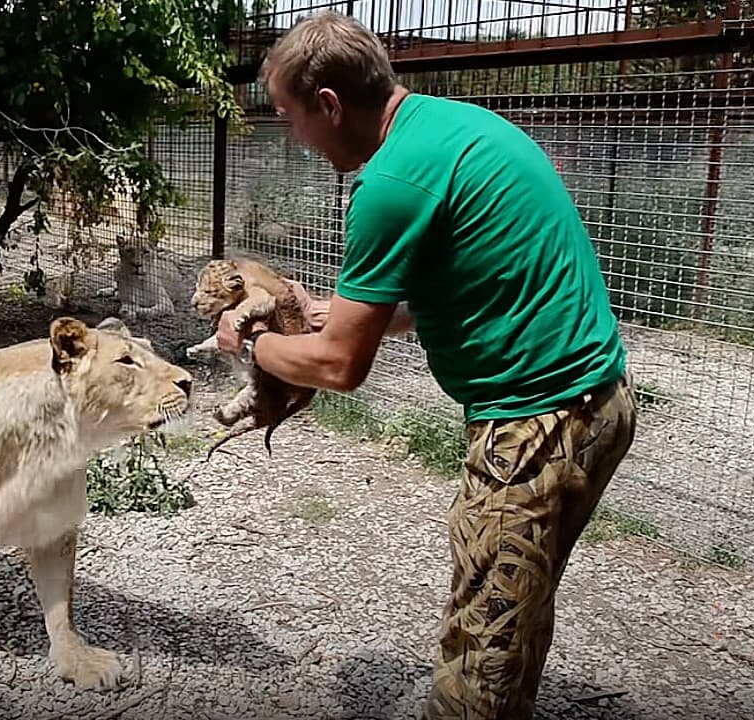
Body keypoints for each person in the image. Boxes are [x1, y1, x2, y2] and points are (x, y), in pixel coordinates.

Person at [216, 10, 639, 720]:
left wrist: (249, 344)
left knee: (482, 650)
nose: (292, 137)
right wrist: (359, 315)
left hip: (535, 429)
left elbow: (338, 367)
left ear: (330, 104)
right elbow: (474, 281)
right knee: (518, 619)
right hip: (601, 403)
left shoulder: (390, 184)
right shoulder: (453, 127)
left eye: (290, 118)